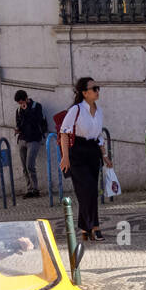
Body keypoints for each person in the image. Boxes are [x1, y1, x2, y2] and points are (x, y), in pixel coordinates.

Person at [58, 77, 111, 242]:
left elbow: (99, 135)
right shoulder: (76, 110)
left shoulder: (99, 110)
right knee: (87, 190)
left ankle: (84, 228)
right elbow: (64, 133)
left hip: (93, 152)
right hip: (77, 153)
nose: (97, 91)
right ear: (84, 92)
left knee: (90, 192)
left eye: (98, 87)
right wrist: (65, 157)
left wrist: (105, 155)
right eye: (94, 88)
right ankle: (94, 227)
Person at [13, 90, 46, 199]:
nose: (20, 104)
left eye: (21, 101)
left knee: (30, 165)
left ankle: (35, 189)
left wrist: (26, 110)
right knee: (24, 167)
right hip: (22, 139)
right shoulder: (18, 110)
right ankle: (29, 189)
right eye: (18, 102)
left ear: (26, 98)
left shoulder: (37, 106)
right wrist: (17, 129)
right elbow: (19, 123)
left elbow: (37, 120)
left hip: (34, 139)